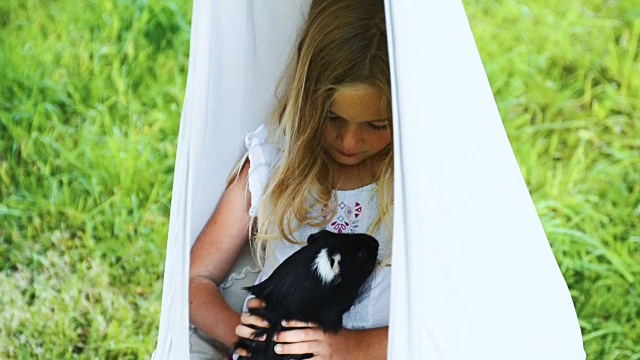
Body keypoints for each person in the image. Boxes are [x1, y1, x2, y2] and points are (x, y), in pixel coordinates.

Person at [189, 0, 392, 358]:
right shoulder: (276, 164)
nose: (349, 142)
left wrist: (351, 348)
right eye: (332, 119)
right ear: (307, 98)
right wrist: (238, 332)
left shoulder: (409, 188)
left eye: (376, 126)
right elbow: (194, 279)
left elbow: (451, 314)